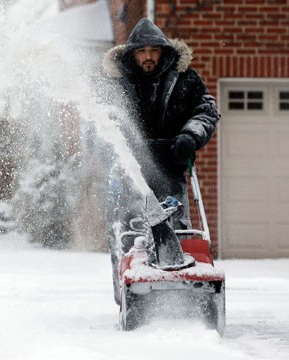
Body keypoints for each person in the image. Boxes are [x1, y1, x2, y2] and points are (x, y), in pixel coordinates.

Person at [101, 18, 220, 304]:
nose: (148, 56)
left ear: (164, 52)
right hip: (130, 177)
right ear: (131, 54)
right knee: (132, 238)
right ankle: (131, 298)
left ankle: (184, 297)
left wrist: (189, 136)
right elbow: (100, 124)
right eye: (142, 51)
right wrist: (113, 150)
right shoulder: (114, 85)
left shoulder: (185, 80)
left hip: (171, 170)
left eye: (154, 50)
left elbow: (206, 112)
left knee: (178, 234)